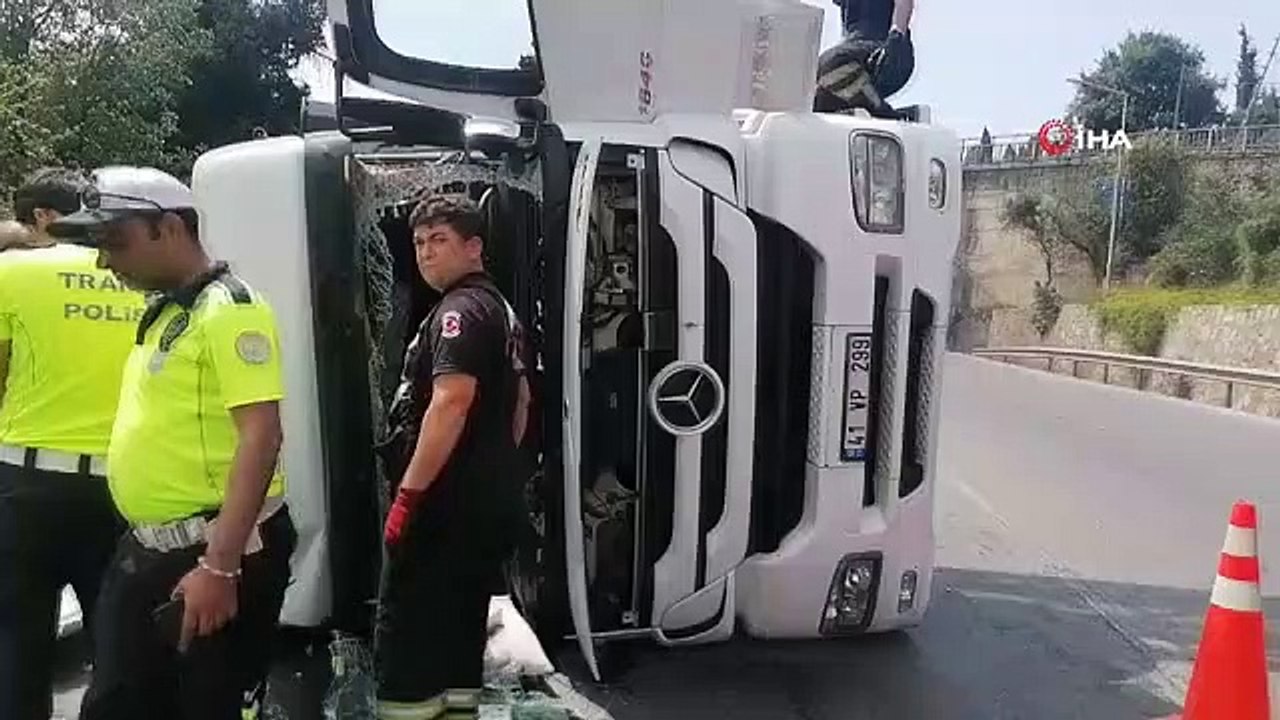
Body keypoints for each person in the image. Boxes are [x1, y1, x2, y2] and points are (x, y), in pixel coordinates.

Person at [48, 166, 296, 720]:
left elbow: (262, 434)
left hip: (207, 555)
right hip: (149, 551)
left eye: (116, 242)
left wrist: (220, 567)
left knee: (200, 706)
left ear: (168, 229)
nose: (105, 262)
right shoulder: (169, 312)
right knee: (116, 701)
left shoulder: (230, 310)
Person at [374, 194, 530, 720]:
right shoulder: (500, 308)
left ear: (474, 247)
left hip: (443, 507)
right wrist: (498, 466)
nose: (425, 254)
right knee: (460, 633)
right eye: (419, 243)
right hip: (485, 503)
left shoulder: (458, 313)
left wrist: (408, 497)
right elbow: (521, 403)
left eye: (439, 240)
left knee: (409, 639)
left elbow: (451, 401)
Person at [0, 166, 142, 720]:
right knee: (118, 643)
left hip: (24, 483)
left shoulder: (12, 272)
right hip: (122, 484)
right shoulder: (135, 276)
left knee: (17, 643)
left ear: (43, 217)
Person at [815, 0, 916, 114]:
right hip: (853, 58)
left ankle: (879, 109)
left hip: (886, 53)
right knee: (813, 96)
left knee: (827, 63)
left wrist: (896, 35)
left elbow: (904, 3)